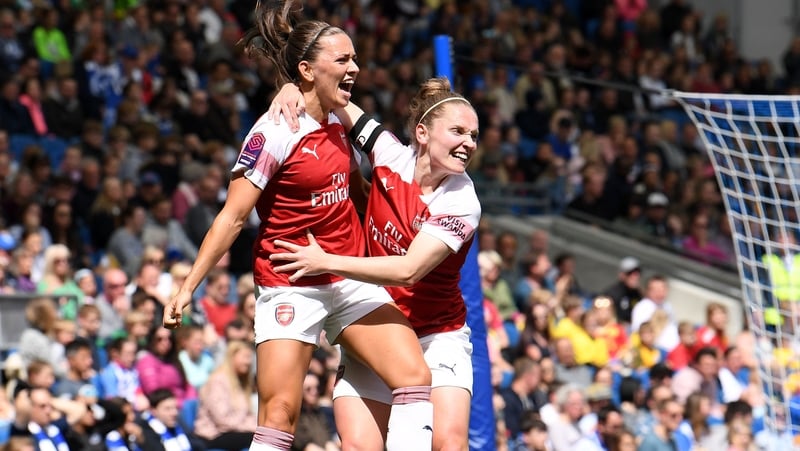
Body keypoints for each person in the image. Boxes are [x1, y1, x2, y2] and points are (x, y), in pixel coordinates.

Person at [162, 2, 433, 450]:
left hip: (346, 274)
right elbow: (232, 217)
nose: (355, 69)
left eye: (355, 59)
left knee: (414, 377)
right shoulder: (272, 133)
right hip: (290, 282)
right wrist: (188, 286)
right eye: (343, 60)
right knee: (279, 416)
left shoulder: (340, 117)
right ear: (308, 69)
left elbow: (357, 189)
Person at [269, 74, 481, 450]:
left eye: (474, 135)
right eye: (458, 131)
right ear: (422, 133)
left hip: (437, 333)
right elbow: (330, 97)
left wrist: (325, 261)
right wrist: (289, 88)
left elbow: (408, 270)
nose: (468, 143)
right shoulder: (387, 152)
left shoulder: (461, 201)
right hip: (378, 325)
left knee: (449, 444)